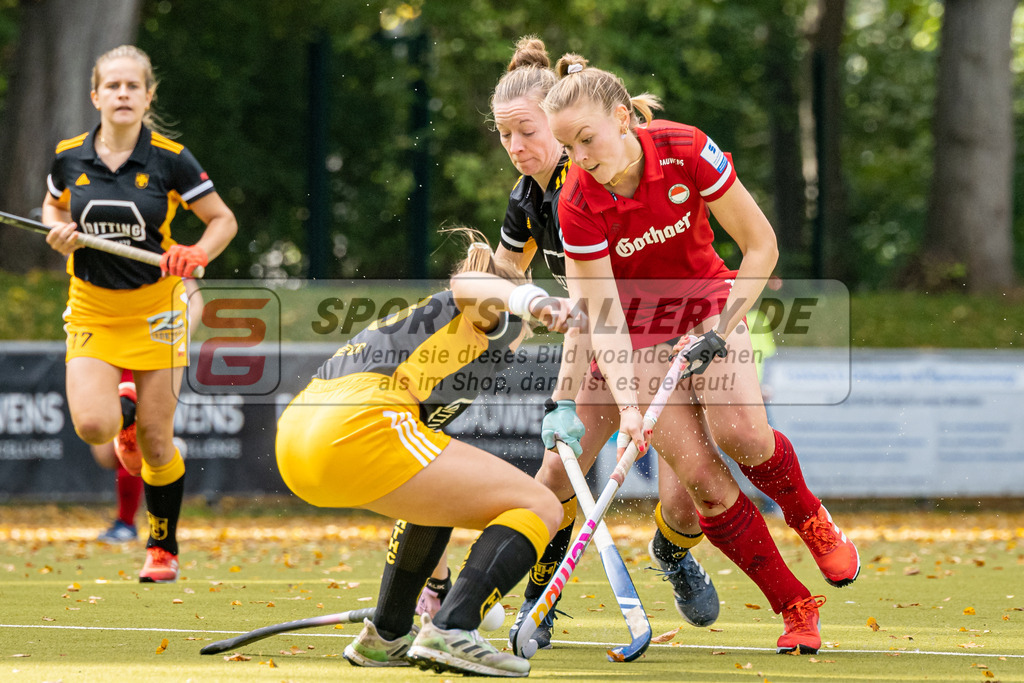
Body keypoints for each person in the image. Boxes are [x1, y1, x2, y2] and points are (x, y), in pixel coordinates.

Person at [539, 53, 860, 654]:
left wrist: (723, 328)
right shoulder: (577, 204)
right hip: (638, 333)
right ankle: (794, 605)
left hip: (712, 303)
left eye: (587, 139)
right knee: (703, 484)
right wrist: (629, 410)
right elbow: (603, 318)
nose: (580, 158)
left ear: (622, 117)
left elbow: (761, 245)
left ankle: (811, 520)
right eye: (568, 148)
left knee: (743, 435)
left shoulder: (684, 148)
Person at [487, 37, 720, 649]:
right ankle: (535, 601)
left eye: (527, 132)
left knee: (692, 493)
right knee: (553, 478)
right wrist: (513, 301)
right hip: (606, 347)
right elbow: (507, 279)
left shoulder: (587, 184)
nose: (516, 147)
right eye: (505, 135)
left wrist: (562, 391)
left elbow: (595, 309)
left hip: (658, 337)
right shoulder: (526, 199)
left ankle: (672, 552)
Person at [276, 232, 576, 676]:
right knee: (541, 505)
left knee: (441, 494)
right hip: (359, 423)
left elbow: (429, 503)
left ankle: (386, 635)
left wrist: (438, 579)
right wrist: (533, 301)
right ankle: (453, 630)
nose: (519, 344)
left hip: (298, 437)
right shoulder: (489, 315)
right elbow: (467, 284)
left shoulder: (429, 331)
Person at [42, 45, 237, 582]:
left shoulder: (170, 158)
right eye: (113, 86)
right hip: (93, 309)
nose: (123, 94)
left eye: (133, 86)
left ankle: (162, 548)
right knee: (93, 426)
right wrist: (57, 232)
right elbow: (53, 206)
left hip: (158, 309)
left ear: (148, 97)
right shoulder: (69, 157)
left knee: (156, 440)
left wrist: (197, 253)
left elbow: (222, 220)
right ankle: (121, 417)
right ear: (96, 96)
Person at [94, 279, 204, 543]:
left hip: (146, 356)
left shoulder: (161, 264)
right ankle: (165, 450)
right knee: (105, 452)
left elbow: (194, 300)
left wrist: (179, 336)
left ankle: (126, 523)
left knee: (130, 440)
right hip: (108, 350)